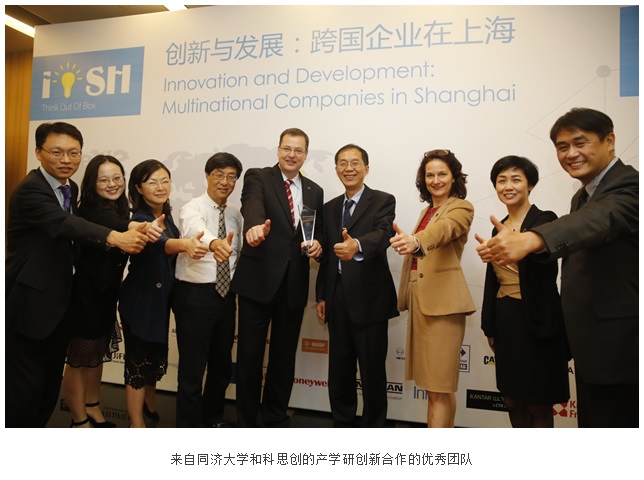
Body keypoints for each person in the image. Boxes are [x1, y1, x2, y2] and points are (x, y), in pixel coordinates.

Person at [477, 108, 638, 427]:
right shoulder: (583, 196)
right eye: (563, 147)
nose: (571, 153)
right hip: (589, 342)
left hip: (618, 345)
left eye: (580, 143)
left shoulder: (630, 185)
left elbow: (598, 220)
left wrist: (532, 238)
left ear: (609, 141)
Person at [5, 122, 148, 428]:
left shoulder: (69, 187)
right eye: (57, 152)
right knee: (23, 389)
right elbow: (64, 223)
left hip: (60, 302)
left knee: (47, 387)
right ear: (38, 152)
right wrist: (115, 237)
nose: (66, 159)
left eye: (73, 152)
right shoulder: (31, 189)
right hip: (30, 302)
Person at [231, 127, 324, 427]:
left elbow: (313, 231)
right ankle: (246, 421)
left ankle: (274, 417)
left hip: (294, 284)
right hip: (258, 281)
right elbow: (252, 206)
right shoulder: (259, 177)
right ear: (278, 149)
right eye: (287, 148)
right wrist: (255, 227)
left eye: (298, 150)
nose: (291, 155)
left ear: (305, 155)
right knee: (250, 355)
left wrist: (318, 245)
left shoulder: (314, 190)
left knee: (283, 357)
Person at [62, 155, 162, 428]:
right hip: (84, 296)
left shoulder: (121, 209)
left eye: (117, 178)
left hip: (106, 296)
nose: (112, 184)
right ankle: (78, 420)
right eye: (104, 179)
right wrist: (138, 226)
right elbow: (115, 227)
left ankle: (93, 407)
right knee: (80, 360)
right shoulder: (88, 210)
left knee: (96, 357)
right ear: (92, 183)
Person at [474, 155, 570, 428]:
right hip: (507, 319)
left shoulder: (546, 220)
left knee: (538, 403)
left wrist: (520, 247)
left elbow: (546, 268)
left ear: (530, 185)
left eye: (516, 179)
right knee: (512, 400)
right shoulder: (498, 227)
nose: (508, 186)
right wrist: (490, 324)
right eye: (501, 180)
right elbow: (493, 281)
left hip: (538, 319)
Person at [118, 159, 209, 428]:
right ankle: (136, 424)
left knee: (153, 358)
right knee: (137, 364)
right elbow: (161, 243)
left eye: (165, 181)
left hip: (159, 301)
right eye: (152, 182)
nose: (160, 187)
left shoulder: (165, 215)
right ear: (138, 188)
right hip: (141, 300)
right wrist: (186, 244)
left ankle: (150, 406)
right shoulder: (140, 219)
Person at [390, 149, 476, 428]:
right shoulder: (426, 211)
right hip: (421, 300)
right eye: (430, 175)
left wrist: (416, 241)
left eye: (442, 174)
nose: (435, 180)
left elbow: (444, 230)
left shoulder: (461, 208)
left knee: (439, 387)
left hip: (442, 305)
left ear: (454, 177)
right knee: (436, 388)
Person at [315, 144, 398, 427]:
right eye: (342, 163)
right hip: (336, 296)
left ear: (366, 168)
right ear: (336, 168)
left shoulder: (383, 200)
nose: (348, 168)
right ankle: (343, 425)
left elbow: (384, 234)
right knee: (339, 370)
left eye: (355, 163)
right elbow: (327, 256)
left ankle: (374, 429)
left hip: (370, 298)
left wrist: (358, 245)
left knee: (372, 371)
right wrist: (322, 296)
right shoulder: (329, 207)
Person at [174, 152, 244, 427]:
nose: (225, 182)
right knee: (192, 371)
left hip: (225, 296)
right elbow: (195, 230)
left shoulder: (235, 214)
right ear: (207, 176)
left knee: (221, 366)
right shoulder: (192, 208)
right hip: (195, 296)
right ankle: (188, 428)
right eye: (219, 175)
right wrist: (215, 244)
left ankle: (212, 419)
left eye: (231, 177)